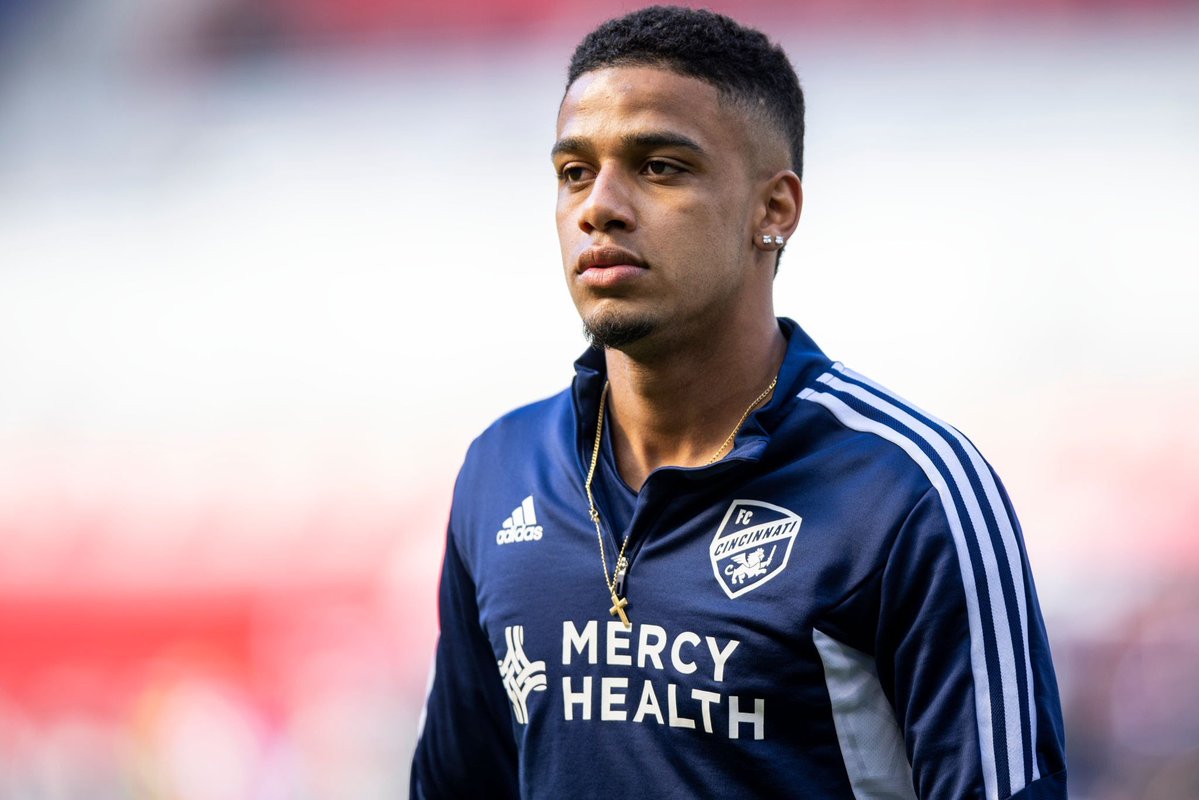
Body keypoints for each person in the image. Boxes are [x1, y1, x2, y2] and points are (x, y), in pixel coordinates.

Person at [410, 6, 1066, 799]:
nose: (598, 206)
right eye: (574, 172)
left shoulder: (908, 494)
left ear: (773, 210)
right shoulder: (502, 469)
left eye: (659, 167)